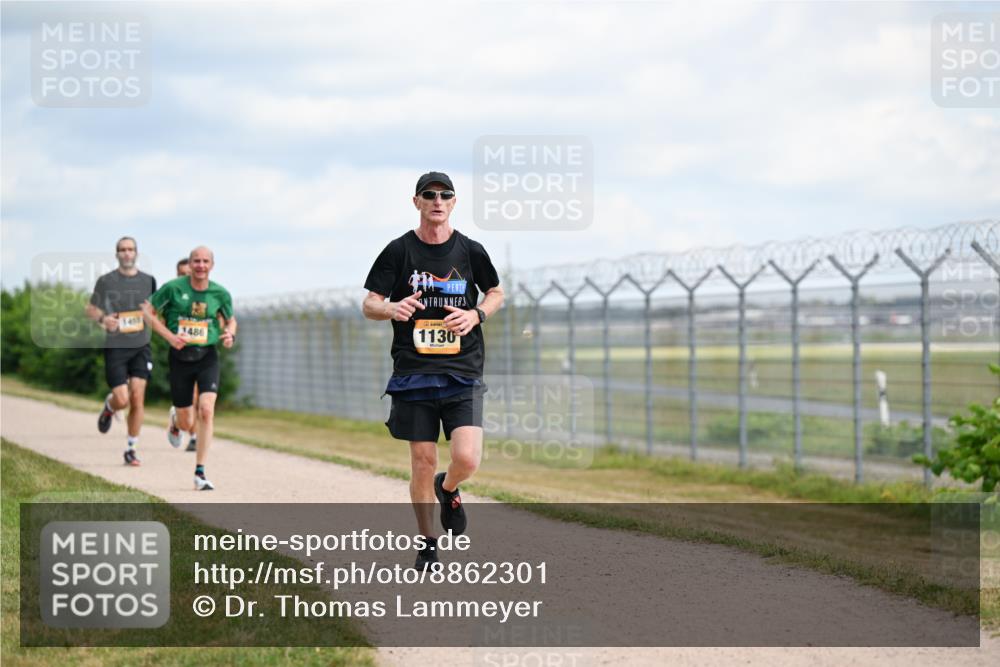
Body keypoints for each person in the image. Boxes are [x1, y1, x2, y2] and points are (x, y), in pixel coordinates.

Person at [363, 171, 504, 570]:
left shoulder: (471, 250)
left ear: (454, 203)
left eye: (445, 195)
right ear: (417, 202)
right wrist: (392, 307)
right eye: (429, 195)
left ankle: (450, 486)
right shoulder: (398, 251)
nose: (437, 201)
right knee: (421, 460)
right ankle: (427, 542)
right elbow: (370, 303)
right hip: (414, 372)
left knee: (468, 458)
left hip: (463, 371)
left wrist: (476, 314)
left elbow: (496, 292)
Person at [145, 246, 236, 490]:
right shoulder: (174, 288)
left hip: (208, 355)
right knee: (187, 422)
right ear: (191, 263)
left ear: (212, 265)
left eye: (205, 261)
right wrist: (169, 336)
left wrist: (230, 334)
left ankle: (200, 472)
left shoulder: (220, 293)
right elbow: (147, 311)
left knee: (206, 410)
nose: (200, 265)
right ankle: (177, 420)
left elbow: (231, 319)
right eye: (196, 261)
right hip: (180, 357)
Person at [86, 236, 157, 466]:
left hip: (141, 346)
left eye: (131, 249)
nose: (127, 253)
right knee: (122, 399)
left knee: (137, 397)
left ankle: (131, 449)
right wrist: (103, 319)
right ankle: (110, 406)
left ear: (136, 253)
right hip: (116, 346)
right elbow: (91, 308)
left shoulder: (149, 281)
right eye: (122, 250)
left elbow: (154, 310)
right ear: (117, 254)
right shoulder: (106, 281)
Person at [175, 257, 199, 453]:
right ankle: (178, 419)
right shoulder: (173, 297)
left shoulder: (205, 296)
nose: (185, 278)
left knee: (201, 398)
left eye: (188, 274)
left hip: (202, 353)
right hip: (179, 356)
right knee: (190, 398)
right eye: (181, 275)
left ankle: (194, 436)